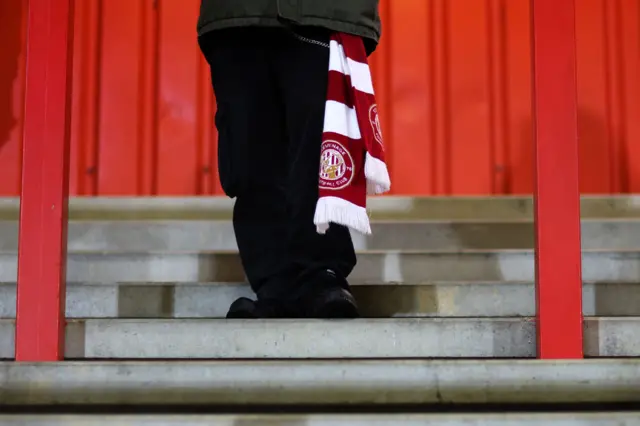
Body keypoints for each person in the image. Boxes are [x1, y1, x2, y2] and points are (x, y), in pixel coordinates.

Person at [197, 0, 381, 319]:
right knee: (249, 153)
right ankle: (275, 285)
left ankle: (322, 273)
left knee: (323, 146)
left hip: (322, 13)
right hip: (236, 14)